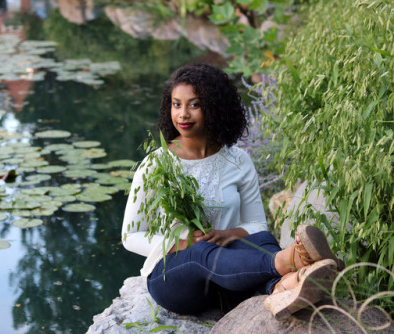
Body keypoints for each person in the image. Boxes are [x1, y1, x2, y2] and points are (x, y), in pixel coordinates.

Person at [121, 63, 342, 319]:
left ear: (215, 106)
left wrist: (229, 234)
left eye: (194, 104)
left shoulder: (237, 160)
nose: (182, 114)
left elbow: (257, 223)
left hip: (228, 278)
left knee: (262, 241)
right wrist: (179, 244)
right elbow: (131, 235)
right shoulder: (156, 165)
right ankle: (288, 262)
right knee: (199, 253)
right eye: (176, 104)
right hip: (176, 281)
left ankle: (287, 286)